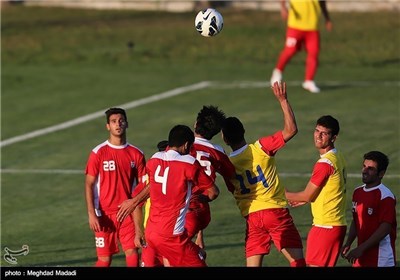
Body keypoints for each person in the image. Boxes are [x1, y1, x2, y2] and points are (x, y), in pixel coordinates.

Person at [221, 81, 305, 267]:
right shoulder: (261, 147)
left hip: (252, 218)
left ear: (225, 139)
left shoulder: (227, 164)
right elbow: (291, 130)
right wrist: (283, 100)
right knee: (297, 262)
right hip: (275, 212)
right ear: (244, 131)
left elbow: (232, 189)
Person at [118, 124, 220, 267]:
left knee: (192, 256)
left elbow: (152, 184)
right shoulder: (189, 163)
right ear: (186, 145)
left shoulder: (154, 159)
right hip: (172, 236)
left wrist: (134, 201)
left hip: (152, 233)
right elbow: (214, 192)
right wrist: (203, 198)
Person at [84, 107, 147, 267]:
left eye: (121, 121)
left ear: (127, 124)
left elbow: (144, 187)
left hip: (127, 213)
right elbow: (89, 184)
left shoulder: (136, 154)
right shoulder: (98, 153)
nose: (118, 124)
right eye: (113, 122)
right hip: (103, 215)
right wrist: (91, 213)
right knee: (104, 260)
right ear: (108, 126)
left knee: (133, 253)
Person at [285, 115, 347, 267]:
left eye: (324, 133)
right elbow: (330, 189)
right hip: (334, 224)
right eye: (317, 130)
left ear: (334, 138)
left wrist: (277, 193)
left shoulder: (324, 164)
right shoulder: (337, 157)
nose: (318, 136)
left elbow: (308, 194)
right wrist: (306, 199)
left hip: (325, 226)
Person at [187, 105, 236, 254]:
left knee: (170, 251)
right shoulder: (217, 151)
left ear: (196, 123)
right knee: (191, 252)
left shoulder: (183, 146)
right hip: (202, 210)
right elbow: (232, 175)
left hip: (184, 208)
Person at [341, 151, 397, 267]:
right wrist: (348, 243)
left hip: (381, 259)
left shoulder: (385, 196)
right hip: (361, 256)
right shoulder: (358, 192)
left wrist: (360, 248)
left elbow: (385, 228)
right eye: (364, 166)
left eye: (371, 169)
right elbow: (356, 221)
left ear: (381, 173)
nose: (365, 171)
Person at [270, 0, 332, 93]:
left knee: (314, 52)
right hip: (295, 25)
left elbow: (322, 2)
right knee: (290, 50)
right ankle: (277, 72)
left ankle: (309, 81)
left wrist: (327, 18)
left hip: (312, 27)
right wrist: (283, 8)